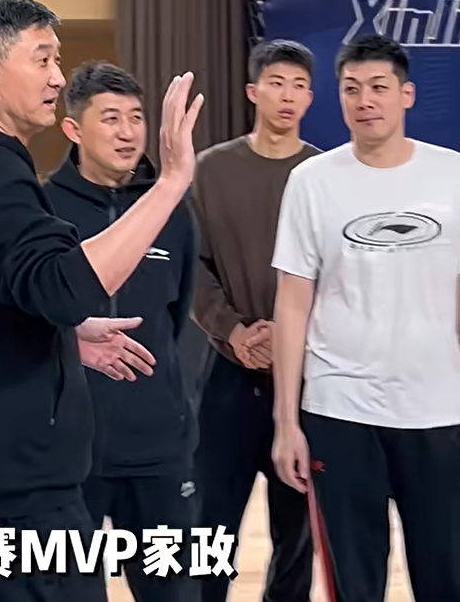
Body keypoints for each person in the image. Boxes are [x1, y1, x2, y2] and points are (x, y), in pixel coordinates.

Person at [0, 0, 205, 602]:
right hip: (11, 496)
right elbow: (65, 286)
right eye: (42, 59)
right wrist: (168, 184)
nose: (58, 77)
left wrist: (60, 335)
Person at [271, 34, 460, 602]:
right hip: (340, 409)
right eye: (351, 89)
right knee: (354, 583)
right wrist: (286, 422)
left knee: (446, 576)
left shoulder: (451, 175)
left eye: (378, 87)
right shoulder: (312, 181)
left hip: (438, 409)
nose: (364, 100)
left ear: (407, 95)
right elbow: (292, 303)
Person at [43, 61, 200, 602]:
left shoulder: (171, 211)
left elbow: (176, 314)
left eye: (136, 117)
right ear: (73, 129)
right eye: (110, 118)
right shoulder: (42, 211)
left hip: (159, 450)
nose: (128, 131)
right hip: (68, 455)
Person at [189, 40, 319, 602]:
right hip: (228, 376)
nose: (288, 96)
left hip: (307, 381)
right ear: (253, 92)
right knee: (210, 527)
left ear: (310, 98)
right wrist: (235, 331)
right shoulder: (210, 170)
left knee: (299, 532)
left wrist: (290, 338)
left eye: (299, 86)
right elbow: (190, 266)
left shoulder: (324, 173)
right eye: (277, 84)